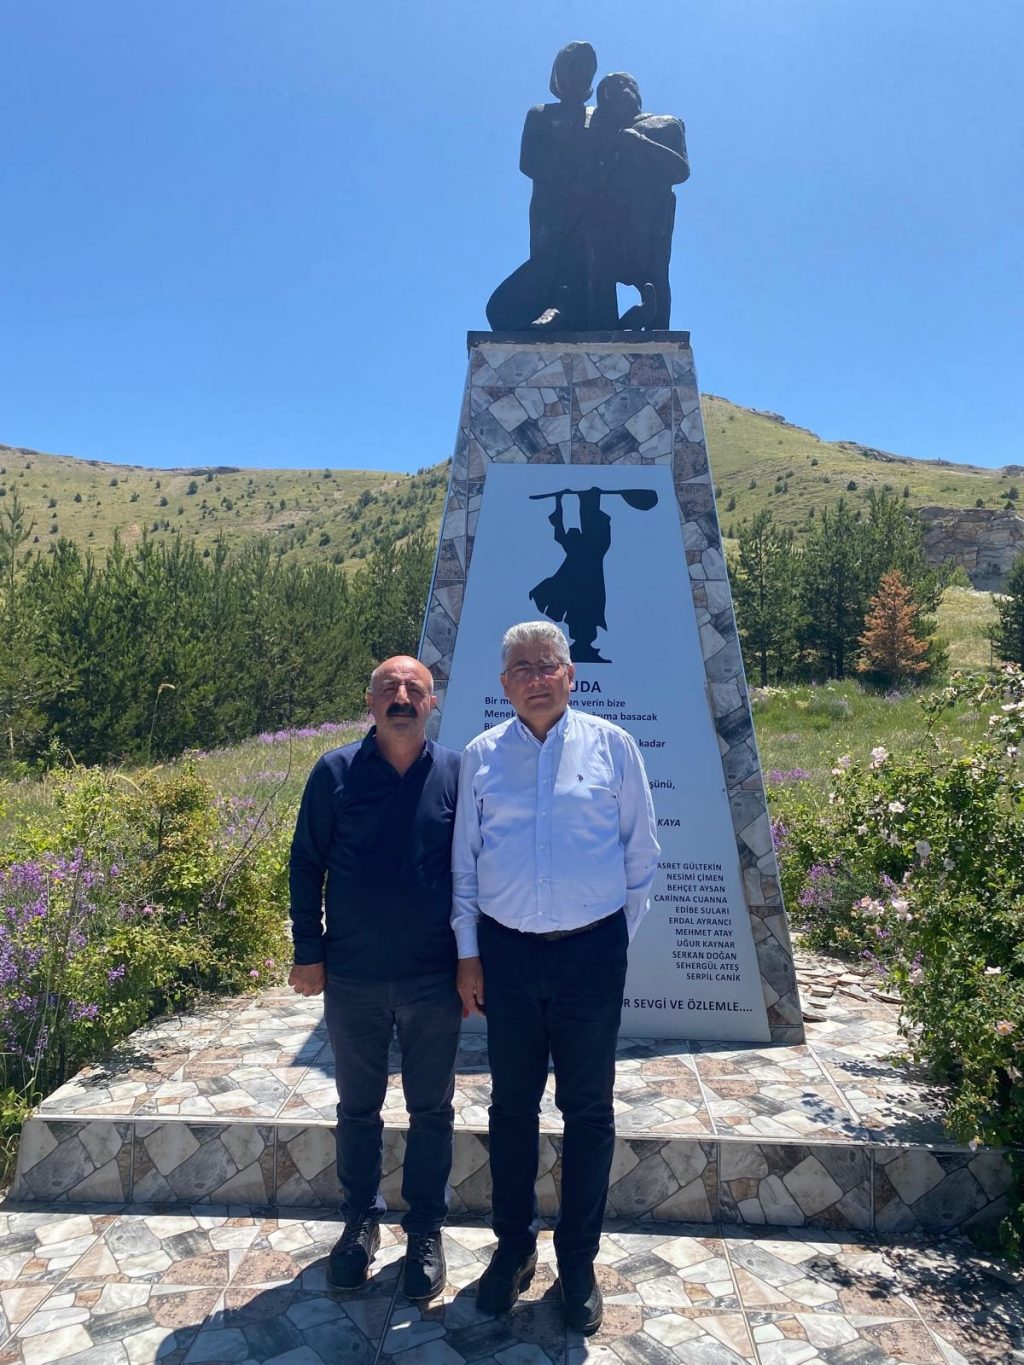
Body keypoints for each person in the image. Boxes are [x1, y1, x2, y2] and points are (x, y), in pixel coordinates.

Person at [453, 621, 660, 1334]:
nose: (537, 678)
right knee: (511, 1108)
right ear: (504, 684)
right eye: (522, 668)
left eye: (549, 665)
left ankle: (578, 1260)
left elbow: (641, 855)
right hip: (507, 958)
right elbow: (464, 866)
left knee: (588, 1110)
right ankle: (514, 1249)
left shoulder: (613, 747)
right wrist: (469, 954)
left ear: (572, 676)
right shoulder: (481, 757)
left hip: (589, 957)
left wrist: (609, 943)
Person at [288, 656, 461, 1302]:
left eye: (415, 688)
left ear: (432, 702)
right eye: (389, 687)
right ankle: (359, 1221)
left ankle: (426, 1230)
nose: (402, 697)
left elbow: (474, 872)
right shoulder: (334, 772)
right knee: (357, 1108)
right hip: (354, 976)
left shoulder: (456, 774)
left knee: (431, 1109)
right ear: (370, 701)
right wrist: (308, 950)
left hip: (433, 978)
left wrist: (475, 960)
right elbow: (306, 864)